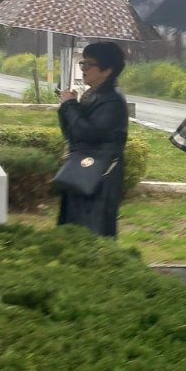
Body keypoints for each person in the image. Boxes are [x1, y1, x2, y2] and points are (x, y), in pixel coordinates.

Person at [57, 40, 128, 237]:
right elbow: (72, 134)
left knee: (94, 230)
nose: (83, 69)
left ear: (107, 70)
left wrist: (70, 106)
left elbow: (88, 133)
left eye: (89, 65)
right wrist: (68, 105)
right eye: (82, 64)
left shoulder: (112, 100)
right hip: (83, 169)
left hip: (100, 175)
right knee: (74, 227)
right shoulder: (92, 95)